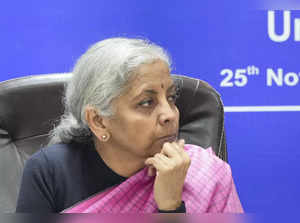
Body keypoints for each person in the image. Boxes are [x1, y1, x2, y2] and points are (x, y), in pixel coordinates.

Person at [16, 37, 243, 213]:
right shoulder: (51, 172)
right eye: (146, 102)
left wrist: (171, 206)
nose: (170, 115)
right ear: (98, 121)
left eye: (172, 98)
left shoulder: (205, 174)